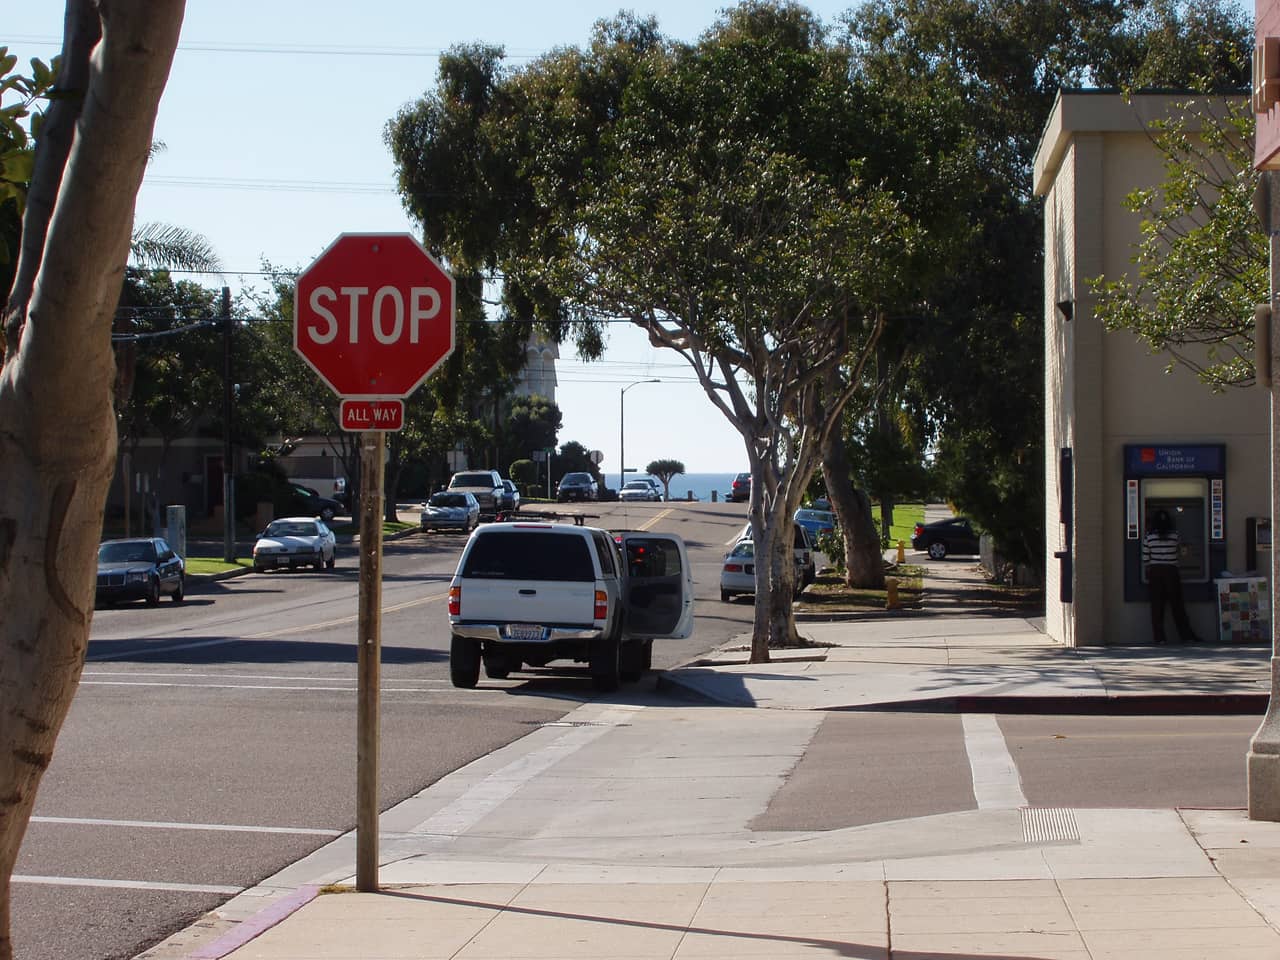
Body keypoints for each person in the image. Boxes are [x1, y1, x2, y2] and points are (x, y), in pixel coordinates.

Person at [1142, 510, 1199, 645]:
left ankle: (1160, 638)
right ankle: (1186, 636)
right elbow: (1182, 552)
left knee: (1157, 607)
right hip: (1171, 572)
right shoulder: (1175, 536)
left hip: (1155, 573)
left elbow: (1145, 559)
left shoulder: (1149, 537)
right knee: (1177, 605)